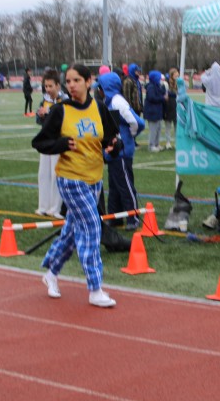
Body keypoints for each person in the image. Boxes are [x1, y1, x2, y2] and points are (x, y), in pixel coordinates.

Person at [32, 64, 122, 308]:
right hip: (71, 179)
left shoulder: (99, 108)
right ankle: (95, 288)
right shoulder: (61, 110)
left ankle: (51, 272)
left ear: (88, 81)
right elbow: (39, 142)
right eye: (68, 81)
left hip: (94, 179)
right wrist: (61, 144)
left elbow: (111, 138)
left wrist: (114, 147)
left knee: (72, 231)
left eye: (76, 80)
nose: (71, 85)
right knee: (92, 226)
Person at [101, 71, 145, 228]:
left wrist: (128, 136)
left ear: (107, 87)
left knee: (125, 185)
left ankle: (133, 218)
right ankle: (115, 217)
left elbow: (137, 123)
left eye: (100, 87)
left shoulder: (118, 102)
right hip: (113, 151)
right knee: (114, 186)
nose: (98, 90)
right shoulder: (110, 100)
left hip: (121, 151)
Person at [35, 69, 65, 219]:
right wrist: (41, 115)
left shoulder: (64, 100)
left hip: (58, 140)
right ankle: (43, 206)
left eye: (50, 86)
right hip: (46, 140)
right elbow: (38, 120)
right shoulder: (44, 100)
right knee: (43, 174)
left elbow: (65, 120)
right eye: (46, 86)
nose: (48, 89)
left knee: (56, 174)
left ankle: (55, 208)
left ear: (58, 85)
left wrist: (51, 114)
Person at [144, 70, 166, 152]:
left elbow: (162, 93)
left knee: (158, 128)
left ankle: (156, 144)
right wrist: (163, 98)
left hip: (157, 111)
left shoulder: (157, 86)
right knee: (153, 129)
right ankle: (151, 145)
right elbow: (152, 98)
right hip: (152, 111)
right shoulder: (151, 87)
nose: (160, 80)